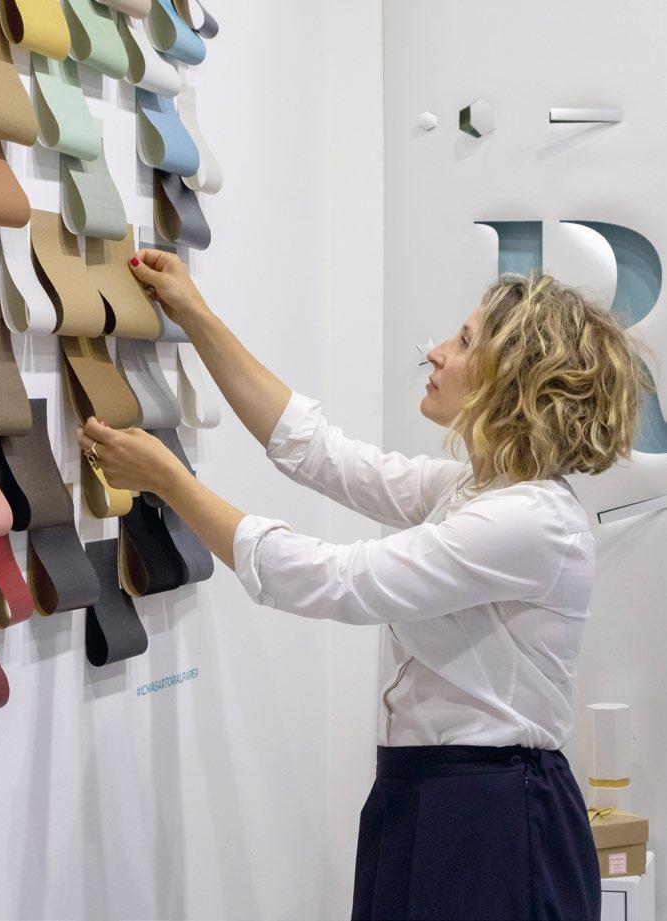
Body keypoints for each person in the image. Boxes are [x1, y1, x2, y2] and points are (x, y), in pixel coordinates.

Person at [77, 255, 655, 921]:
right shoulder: (475, 490)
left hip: (491, 816)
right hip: (432, 795)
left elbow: (340, 579)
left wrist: (172, 482)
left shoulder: (528, 520)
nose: (435, 352)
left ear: (516, 381)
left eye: (465, 342)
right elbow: (319, 452)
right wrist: (196, 315)